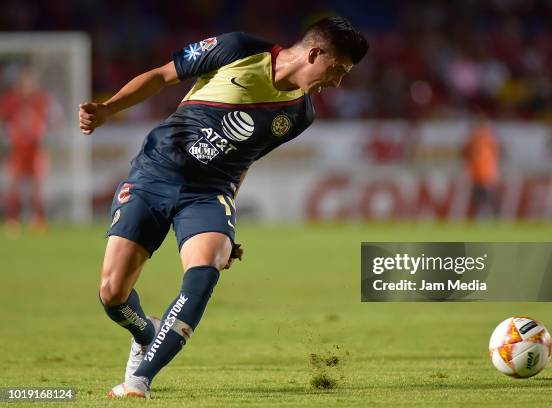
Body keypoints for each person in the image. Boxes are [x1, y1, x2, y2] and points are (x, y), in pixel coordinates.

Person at [79, 16, 368, 399]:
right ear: (315, 54)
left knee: (204, 270)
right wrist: (108, 109)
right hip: (154, 173)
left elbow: (245, 159)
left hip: (209, 193)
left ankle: (139, 381)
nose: (337, 82)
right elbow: (164, 75)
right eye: (338, 69)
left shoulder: (301, 115)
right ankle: (145, 334)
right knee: (112, 294)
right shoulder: (239, 49)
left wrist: (226, 219)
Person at [0, 66, 61, 233]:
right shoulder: (10, 100)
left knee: (38, 185)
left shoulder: (43, 99)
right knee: (13, 186)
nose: (29, 85)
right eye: (26, 82)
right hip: (17, 149)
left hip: (37, 149)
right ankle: (12, 220)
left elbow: (56, 120)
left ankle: (38, 220)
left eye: (32, 82)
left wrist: (48, 133)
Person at [462, 116, 500, 219]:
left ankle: (488, 215)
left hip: (485, 174)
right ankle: (485, 215)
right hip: (478, 174)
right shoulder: (479, 140)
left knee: (486, 197)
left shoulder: (486, 140)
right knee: (480, 197)